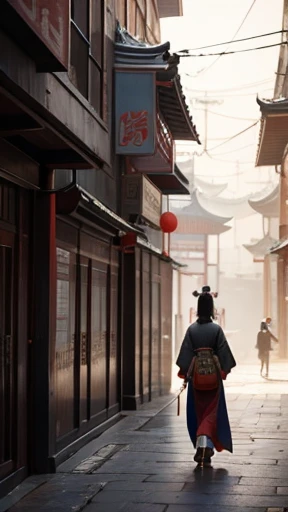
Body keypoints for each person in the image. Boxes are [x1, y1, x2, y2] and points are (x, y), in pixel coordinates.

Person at [176, 289, 236, 466]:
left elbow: (185, 355)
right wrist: (222, 370)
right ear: (211, 309)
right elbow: (224, 354)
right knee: (212, 412)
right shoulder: (216, 330)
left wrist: (185, 375)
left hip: (196, 380)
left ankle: (202, 447)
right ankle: (205, 447)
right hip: (213, 380)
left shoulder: (191, 330)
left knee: (199, 412)